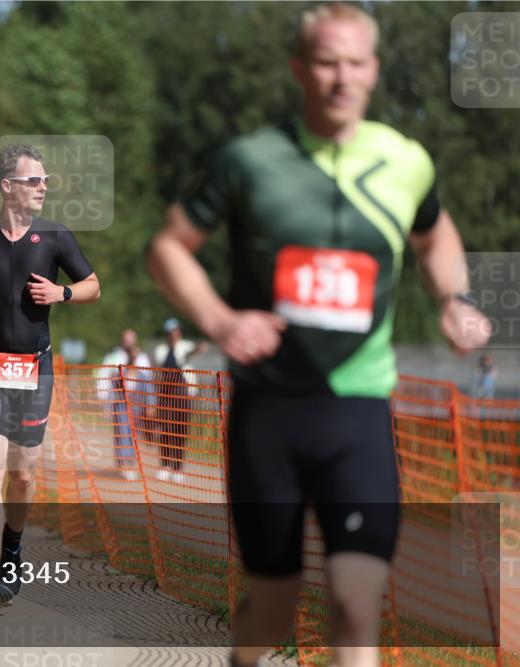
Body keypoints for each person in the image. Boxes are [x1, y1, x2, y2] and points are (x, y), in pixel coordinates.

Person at [146, 4, 491, 666]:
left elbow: (434, 233)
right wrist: (220, 319)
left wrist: (455, 297)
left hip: (358, 412)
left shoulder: (405, 160)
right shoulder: (250, 161)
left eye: (356, 63)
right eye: (327, 63)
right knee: (272, 608)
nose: (342, 78)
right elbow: (167, 247)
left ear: (375, 70)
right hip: (268, 414)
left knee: (355, 607)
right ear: (299, 69)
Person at [0, 143, 100, 604]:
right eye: (34, 180)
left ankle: (13, 544)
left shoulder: (55, 236)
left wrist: (62, 293)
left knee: (23, 476)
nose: (43, 187)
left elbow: (93, 286)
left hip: (35, 367)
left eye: (45, 180)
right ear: (7, 186)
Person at [152, 318, 208, 483]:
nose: (173, 334)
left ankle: (177, 467)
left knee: (180, 431)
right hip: (166, 395)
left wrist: (196, 349)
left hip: (184, 395)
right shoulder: (161, 349)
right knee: (165, 430)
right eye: (170, 332)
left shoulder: (187, 345)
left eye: (175, 331)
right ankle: (165, 465)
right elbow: (168, 364)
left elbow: (194, 352)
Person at [98, 329, 154, 481]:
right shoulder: (115, 359)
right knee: (122, 434)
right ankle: (123, 464)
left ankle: (130, 463)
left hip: (137, 405)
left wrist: (150, 404)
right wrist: (105, 403)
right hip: (121, 404)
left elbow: (148, 384)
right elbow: (108, 382)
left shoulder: (142, 361)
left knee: (133, 436)